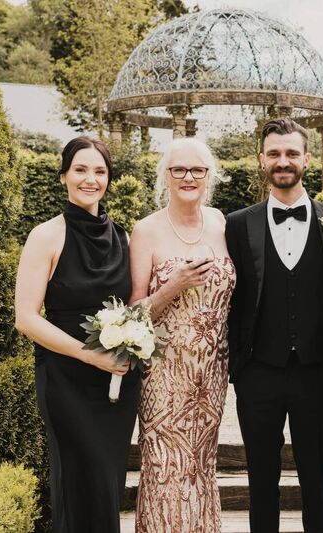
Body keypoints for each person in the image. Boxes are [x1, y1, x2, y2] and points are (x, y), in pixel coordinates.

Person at [225, 118, 323, 532]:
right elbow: (227, 297)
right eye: (275, 154)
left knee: (316, 480)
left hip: (317, 373)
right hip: (258, 373)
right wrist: (236, 367)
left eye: (292, 153)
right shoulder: (236, 224)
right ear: (261, 160)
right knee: (261, 480)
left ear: (307, 159)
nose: (284, 161)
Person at [14, 136, 138, 533]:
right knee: (75, 483)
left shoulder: (124, 237)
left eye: (99, 171)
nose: (90, 179)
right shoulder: (45, 236)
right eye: (81, 170)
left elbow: (134, 308)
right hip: (66, 381)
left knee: (106, 485)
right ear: (63, 176)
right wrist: (88, 355)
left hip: (116, 385)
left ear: (108, 179)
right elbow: (26, 319)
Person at [129, 137, 235, 532]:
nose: (188, 177)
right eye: (178, 170)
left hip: (211, 376)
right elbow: (132, 314)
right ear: (166, 176)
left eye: (197, 170)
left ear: (210, 176)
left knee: (201, 466)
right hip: (163, 374)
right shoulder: (146, 230)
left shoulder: (224, 223)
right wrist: (172, 285)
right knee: (163, 467)